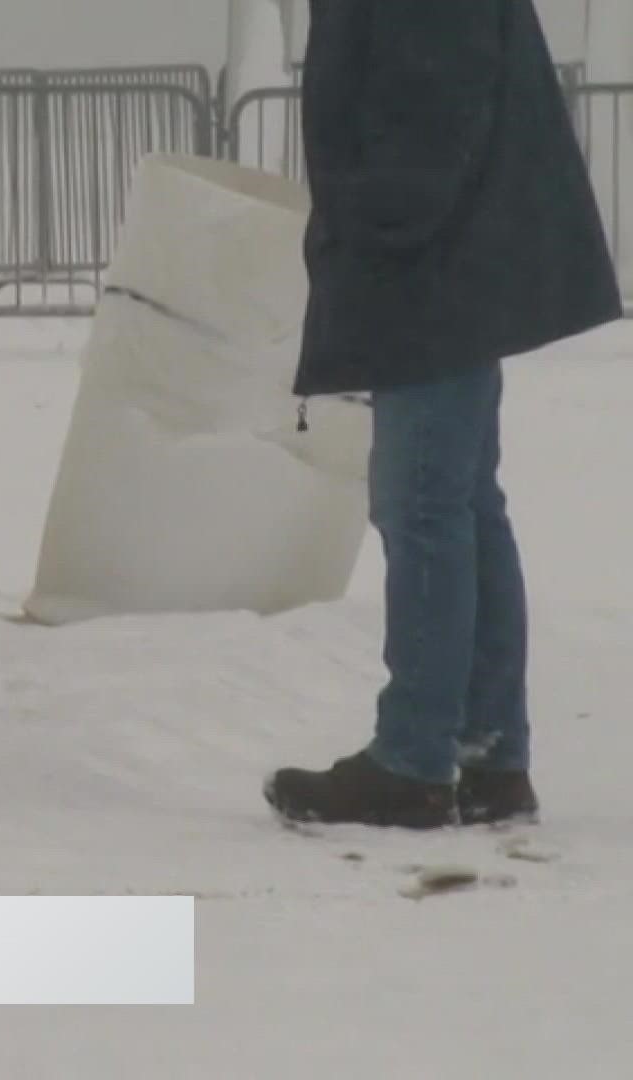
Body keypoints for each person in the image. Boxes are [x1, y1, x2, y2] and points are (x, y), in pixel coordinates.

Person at [265, 0, 623, 829]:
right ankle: (486, 753)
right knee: (461, 503)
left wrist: (370, 217)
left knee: (424, 505)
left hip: (432, 266)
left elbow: (430, 107)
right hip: (457, 258)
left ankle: (415, 761)